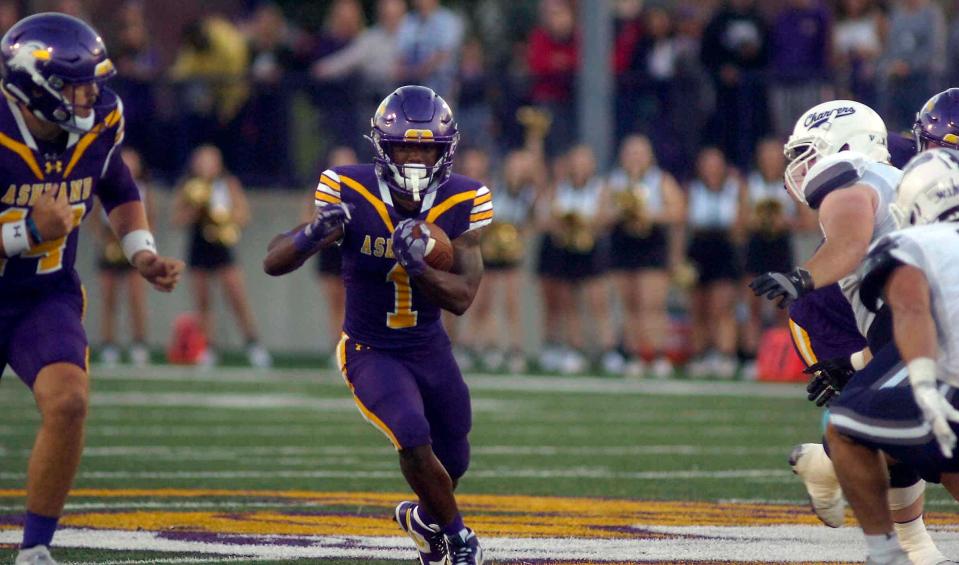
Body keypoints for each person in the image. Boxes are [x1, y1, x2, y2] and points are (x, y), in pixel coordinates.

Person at [263, 85, 488, 565]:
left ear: (444, 151)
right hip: (370, 349)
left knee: (456, 456)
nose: (414, 157)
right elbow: (272, 262)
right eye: (405, 145)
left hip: (429, 345)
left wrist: (422, 268)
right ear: (383, 148)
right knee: (410, 430)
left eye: (425, 148)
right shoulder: (349, 188)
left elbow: (465, 298)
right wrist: (313, 233)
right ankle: (458, 539)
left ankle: (425, 521)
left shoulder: (464, 197)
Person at [0, 13, 183, 564]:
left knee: (70, 401)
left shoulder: (102, 120)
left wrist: (141, 251)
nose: (91, 96)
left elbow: (116, 183)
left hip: (44, 294)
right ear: (34, 87)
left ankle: (34, 550)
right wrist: (28, 231)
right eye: (76, 85)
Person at [750, 100, 949, 564]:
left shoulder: (870, 168)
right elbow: (850, 240)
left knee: (894, 430)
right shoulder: (863, 165)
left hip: (915, 308)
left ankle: (833, 472)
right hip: (844, 304)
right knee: (883, 425)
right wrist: (805, 281)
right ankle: (908, 545)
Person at [826, 148, 959, 564]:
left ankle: (887, 554)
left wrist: (920, 381)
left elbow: (910, 310)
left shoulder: (912, 241)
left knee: (844, 425)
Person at [172, 144, 270, 369]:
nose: (206, 166)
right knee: (203, 301)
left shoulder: (228, 183)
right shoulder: (188, 186)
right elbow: (176, 219)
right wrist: (195, 209)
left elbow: (244, 214)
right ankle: (207, 348)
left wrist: (225, 218)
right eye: (202, 161)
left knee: (237, 297)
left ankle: (253, 344)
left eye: (211, 160)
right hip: (198, 245)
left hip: (223, 246)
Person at [606, 135, 684, 378]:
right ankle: (634, 353)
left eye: (640, 152)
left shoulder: (660, 179)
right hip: (623, 243)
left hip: (652, 244)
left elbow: (678, 211)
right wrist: (620, 211)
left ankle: (658, 354)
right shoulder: (614, 181)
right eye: (630, 152)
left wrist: (649, 213)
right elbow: (601, 215)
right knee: (630, 304)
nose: (635, 157)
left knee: (651, 303)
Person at [684, 147, 747, 379]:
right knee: (699, 307)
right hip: (699, 248)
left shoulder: (735, 188)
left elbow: (742, 222)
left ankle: (725, 354)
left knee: (722, 306)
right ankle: (701, 353)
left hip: (724, 247)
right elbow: (685, 221)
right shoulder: (693, 189)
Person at [94, 147, 153, 367]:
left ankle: (139, 343)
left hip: (134, 250)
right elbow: (94, 220)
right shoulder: (106, 187)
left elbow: (151, 219)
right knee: (109, 299)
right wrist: (105, 240)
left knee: (136, 299)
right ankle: (109, 344)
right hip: (111, 247)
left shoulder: (144, 189)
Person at [307, 146, 357, 365]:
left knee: (354, 301)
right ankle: (337, 347)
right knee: (335, 301)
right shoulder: (321, 190)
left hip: (354, 249)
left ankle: (355, 346)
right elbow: (309, 219)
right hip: (331, 249)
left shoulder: (363, 189)